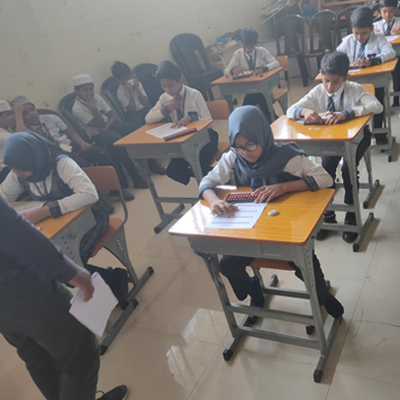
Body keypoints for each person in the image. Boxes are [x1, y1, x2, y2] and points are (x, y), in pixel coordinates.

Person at [199, 106, 344, 322]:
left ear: (263, 136)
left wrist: (284, 187)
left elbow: (325, 178)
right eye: (238, 147)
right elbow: (207, 181)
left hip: (287, 231)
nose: (245, 153)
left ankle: (322, 295)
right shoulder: (233, 158)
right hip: (251, 231)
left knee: (304, 263)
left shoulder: (285, 157)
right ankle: (254, 290)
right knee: (227, 264)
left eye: (251, 145)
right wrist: (214, 200)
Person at [0, 194, 128, 400]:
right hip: (21, 287)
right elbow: (16, 232)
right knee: (81, 354)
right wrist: (70, 271)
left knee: (37, 356)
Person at [0, 132, 129, 303]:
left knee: (68, 266)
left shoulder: (61, 164)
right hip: (60, 225)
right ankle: (112, 281)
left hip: (91, 217)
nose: (17, 173)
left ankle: (114, 282)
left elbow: (89, 194)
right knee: (50, 263)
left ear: (33, 159)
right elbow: (4, 196)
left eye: (20, 169)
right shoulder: (18, 173)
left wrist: (45, 211)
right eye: (13, 169)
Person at [288, 51, 383, 243]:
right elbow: (290, 110)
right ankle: (328, 213)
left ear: (345, 78)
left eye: (335, 82)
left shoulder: (355, 89)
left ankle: (351, 213)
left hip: (358, 138)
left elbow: (377, 106)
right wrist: (304, 111)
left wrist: (348, 113)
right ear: (321, 74)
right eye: (326, 81)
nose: (330, 87)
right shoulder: (318, 90)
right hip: (332, 140)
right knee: (325, 170)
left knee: (348, 170)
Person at [72, 74, 148, 199]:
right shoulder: (77, 109)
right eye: (85, 90)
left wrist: (107, 125)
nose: (89, 93)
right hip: (96, 135)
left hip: (109, 127)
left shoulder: (97, 97)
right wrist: (94, 109)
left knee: (138, 129)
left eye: (91, 89)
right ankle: (137, 179)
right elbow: (99, 124)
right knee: (117, 140)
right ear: (77, 91)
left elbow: (113, 115)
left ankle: (151, 166)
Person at [146, 60, 219, 185]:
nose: (167, 89)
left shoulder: (194, 94)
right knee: (172, 171)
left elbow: (209, 122)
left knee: (199, 168)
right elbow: (148, 119)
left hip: (205, 138)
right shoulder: (164, 98)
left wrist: (191, 118)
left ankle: (207, 179)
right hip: (182, 141)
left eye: (170, 85)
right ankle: (213, 173)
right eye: (163, 86)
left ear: (180, 81)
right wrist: (167, 109)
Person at [336, 6, 395, 144]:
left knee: (377, 100)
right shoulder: (348, 41)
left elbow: (390, 53)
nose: (359, 37)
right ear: (352, 30)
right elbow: (336, 56)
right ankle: (359, 135)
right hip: (353, 82)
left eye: (364, 33)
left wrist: (373, 61)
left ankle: (379, 131)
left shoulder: (378, 38)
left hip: (374, 81)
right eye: (356, 33)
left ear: (371, 28)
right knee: (348, 102)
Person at [111, 61, 166, 175]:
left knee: (160, 117)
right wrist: (130, 92)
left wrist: (137, 89)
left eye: (129, 76)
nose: (128, 80)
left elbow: (145, 102)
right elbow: (132, 108)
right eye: (124, 78)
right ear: (119, 80)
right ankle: (152, 164)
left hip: (144, 109)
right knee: (141, 131)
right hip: (132, 114)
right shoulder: (120, 92)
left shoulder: (138, 84)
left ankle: (165, 150)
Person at [224, 28, 280, 120]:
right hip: (249, 90)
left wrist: (264, 69)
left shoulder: (261, 51)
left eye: (250, 47)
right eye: (245, 47)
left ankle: (269, 119)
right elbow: (226, 70)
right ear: (241, 44)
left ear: (255, 44)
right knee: (249, 109)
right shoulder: (238, 54)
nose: (247, 49)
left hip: (264, 88)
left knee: (260, 102)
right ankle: (270, 119)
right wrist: (232, 71)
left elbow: (276, 63)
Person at [374, 0, 400, 106]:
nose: (388, 14)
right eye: (384, 11)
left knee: (397, 71)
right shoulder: (375, 26)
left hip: (397, 55)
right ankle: (381, 102)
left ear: (396, 10)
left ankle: (396, 100)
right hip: (382, 56)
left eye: (391, 11)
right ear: (380, 11)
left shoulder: (399, 23)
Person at [0, 101, 14, 183]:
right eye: (9, 114)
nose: (13, 117)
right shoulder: (5, 136)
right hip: (6, 173)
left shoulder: (7, 130)